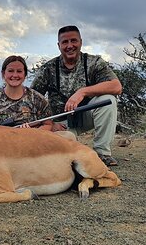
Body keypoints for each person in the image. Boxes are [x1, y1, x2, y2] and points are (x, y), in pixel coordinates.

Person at [31, 25, 122, 166]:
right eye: (65, 42)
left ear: (81, 42)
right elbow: (32, 101)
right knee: (64, 149)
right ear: (58, 45)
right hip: (60, 124)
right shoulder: (47, 68)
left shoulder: (94, 62)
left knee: (108, 100)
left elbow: (116, 86)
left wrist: (82, 92)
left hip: (86, 116)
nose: (69, 46)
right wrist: (50, 124)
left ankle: (102, 153)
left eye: (74, 41)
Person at [0, 55, 53, 130]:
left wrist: (33, 132)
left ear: (25, 74)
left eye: (19, 71)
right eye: (10, 71)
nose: (15, 75)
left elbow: (48, 125)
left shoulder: (38, 98)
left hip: (32, 140)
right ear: (3, 74)